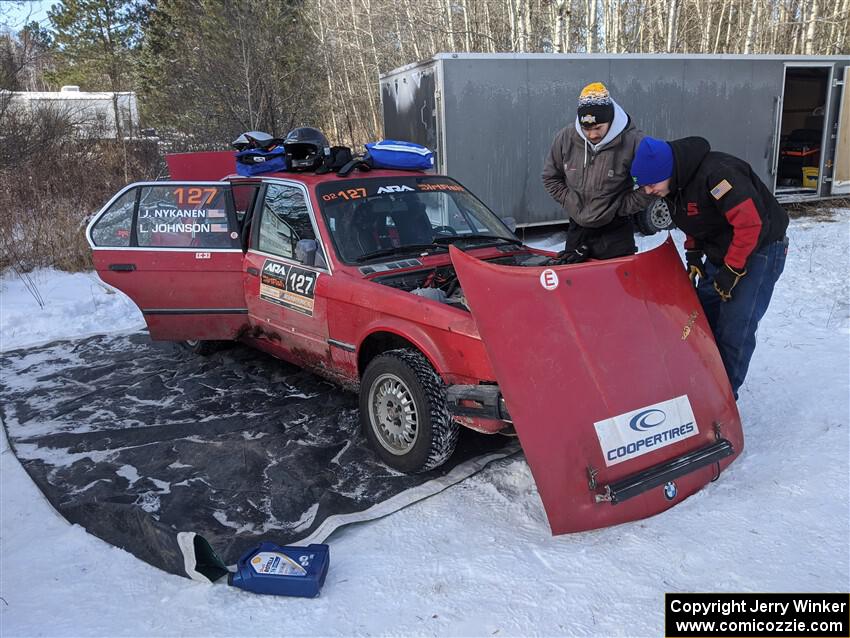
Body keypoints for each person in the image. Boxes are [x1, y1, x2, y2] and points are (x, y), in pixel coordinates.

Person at [631, 136, 789, 398]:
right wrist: (693, 253)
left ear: (668, 172)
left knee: (734, 326)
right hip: (723, 250)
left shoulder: (719, 176)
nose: (648, 191)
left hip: (760, 249)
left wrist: (732, 270)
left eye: (651, 184)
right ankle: (700, 383)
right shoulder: (676, 184)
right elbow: (695, 219)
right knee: (700, 318)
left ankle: (722, 399)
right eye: (643, 186)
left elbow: (751, 225)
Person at [542, 82, 653, 263]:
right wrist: (571, 202)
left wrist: (620, 208)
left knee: (614, 288)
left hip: (615, 233)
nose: (592, 135)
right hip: (578, 231)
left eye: (598, 128)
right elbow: (550, 177)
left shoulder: (634, 142)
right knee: (575, 286)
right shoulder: (565, 138)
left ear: (611, 120)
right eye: (587, 129)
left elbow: (653, 184)